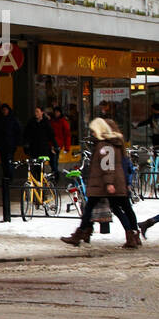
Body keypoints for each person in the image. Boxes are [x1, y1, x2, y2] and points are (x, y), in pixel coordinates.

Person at [60, 118, 141, 249]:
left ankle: (79, 235)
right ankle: (132, 236)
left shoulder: (105, 146)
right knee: (118, 208)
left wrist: (109, 183)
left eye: (93, 131)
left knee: (92, 208)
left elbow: (107, 166)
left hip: (102, 184)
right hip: (109, 183)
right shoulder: (112, 143)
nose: (91, 133)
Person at [24, 106, 55, 182]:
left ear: (42, 113)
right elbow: (26, 134)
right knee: (34, 167)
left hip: (43, 149)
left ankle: (41, 183)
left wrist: (54, 146)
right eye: (35, 112)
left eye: (37, 111)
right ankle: (37, 182)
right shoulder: (31, 122)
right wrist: (26, 144)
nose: (36, 113)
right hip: (33, 148)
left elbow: (51, 135)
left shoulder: (46, 122)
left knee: (41, 167)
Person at [0, 103, 23, 181]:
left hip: (10, 144)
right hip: (2, 145)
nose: (4, 111)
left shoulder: (12, 120)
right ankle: (6, 176)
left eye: (5, 110)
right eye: (3, 110)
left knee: (9, 161)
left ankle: (9, 177)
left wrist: (16, 142)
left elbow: (18, 131)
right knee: (4, 162)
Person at [50, 107, 72, 180]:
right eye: (55, 112)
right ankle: (54, 175)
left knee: (54, 161)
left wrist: (67, 147)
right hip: (51, 144)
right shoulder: (52, 121)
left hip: (57, 145)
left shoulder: (63, 122)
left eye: (57, 112)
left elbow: (67, 135)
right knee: (52, 162)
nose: (56, 113)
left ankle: (55, 176)